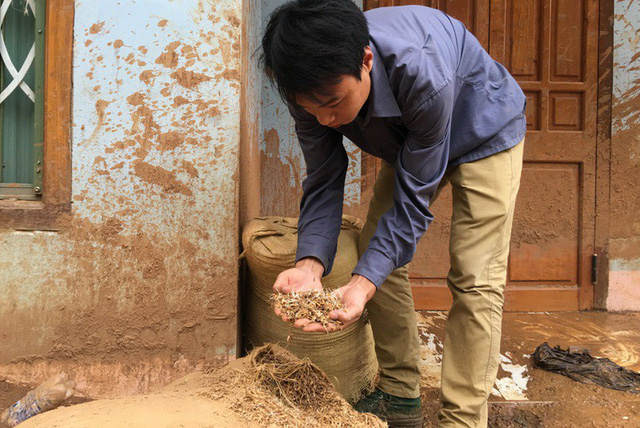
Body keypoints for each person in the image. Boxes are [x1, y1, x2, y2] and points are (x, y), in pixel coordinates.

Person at [261, 1, 526, 427]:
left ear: (366, 60)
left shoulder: (422, 75)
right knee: (375, 250)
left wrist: (362, 285)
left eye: (332, 102)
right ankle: (401, 396)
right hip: (414, 142)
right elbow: (325, 176)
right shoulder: (308, 89)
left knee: (475, 278)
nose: (325, 119)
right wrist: (309, 266)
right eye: (313, 109)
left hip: (483, 131)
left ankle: (461, 420)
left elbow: (413, 200)